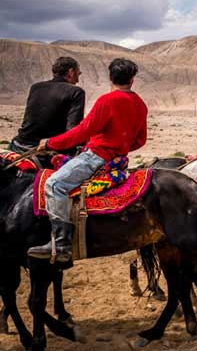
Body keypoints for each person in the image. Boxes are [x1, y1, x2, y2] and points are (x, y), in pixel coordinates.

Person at [28, 58, 148, 263]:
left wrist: (50, 143)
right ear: (132, 80)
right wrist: (120, 147)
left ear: (110, 77)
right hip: (118, 160)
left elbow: (83, 131)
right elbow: (140, 140)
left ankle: (61, 243)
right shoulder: (140, 104)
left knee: (54, 184)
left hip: (95, 157)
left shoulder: (107, 101)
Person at [9, 57, 85, 156]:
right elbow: (72, 130)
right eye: (78, 74)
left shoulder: (35, 87)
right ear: (71, 72)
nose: (78, 80)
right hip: (45, 149)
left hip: (19, 144)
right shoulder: (76, 92)